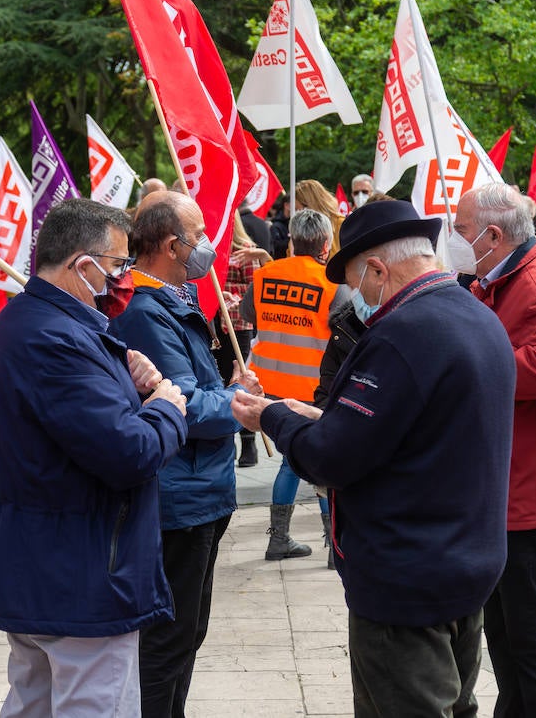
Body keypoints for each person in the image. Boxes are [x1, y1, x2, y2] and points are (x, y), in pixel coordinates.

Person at [232, 199, 515, 716]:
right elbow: (414, 432)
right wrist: (317, 417)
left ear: (380, 270)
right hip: (465, 561)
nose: (356, 297)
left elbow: (332, 459)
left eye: (357, 281)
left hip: (406, 576)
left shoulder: (403, 333)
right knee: (457, 704)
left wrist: (270, 418)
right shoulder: (476, 315)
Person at [0, 199, 187, 717]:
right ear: (83, 265)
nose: (125, 278)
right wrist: (167, 410)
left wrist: (121, 365)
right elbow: (129, 452)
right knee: (89, 704)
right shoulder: (52, 337)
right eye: (120, 266)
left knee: (34, 701)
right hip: (79, 573)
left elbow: (70, 420)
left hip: (48, 564)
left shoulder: (33, 323)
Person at [108, 190, 260, 718]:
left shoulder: (172, 301)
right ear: (173, 246)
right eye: (198, 237)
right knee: (169, 640)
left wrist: (230, 386)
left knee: (188, 631)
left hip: (200, 492)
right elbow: (185, 406)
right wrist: (240, 402)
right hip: (181, 496)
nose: (207, 247)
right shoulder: (149, 312)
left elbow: (196, 387)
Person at [452, 182, 536, 718]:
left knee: (531, 641)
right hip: (508, 488)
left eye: (462, 231)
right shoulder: (497, 279)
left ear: (491, 235)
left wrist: (478, 359)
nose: (457, 240)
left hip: (530, 496)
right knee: (507, 638)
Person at [241, 208, 347, 560]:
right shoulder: (334, 285)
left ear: (291, 240)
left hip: (267, 386)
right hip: (312, 391)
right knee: (318, 463)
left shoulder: (265, 275)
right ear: (326, 243)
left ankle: (281, 538)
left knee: (291, 459)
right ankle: (332, 545)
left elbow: (247, 316)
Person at [216, 212, 268, 468]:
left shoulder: (245, 250)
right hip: (213, 325)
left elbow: (255, 289)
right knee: (221, 380)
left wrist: (229, 292)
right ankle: (227, 438)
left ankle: (248, 442)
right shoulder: (211, 248)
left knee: (240, 379)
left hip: (238, 324)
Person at [293, 179, 343, 252]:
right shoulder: (299, 229)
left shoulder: (341, 224)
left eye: (298, 209)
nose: (297, 214)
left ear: (309, 205)